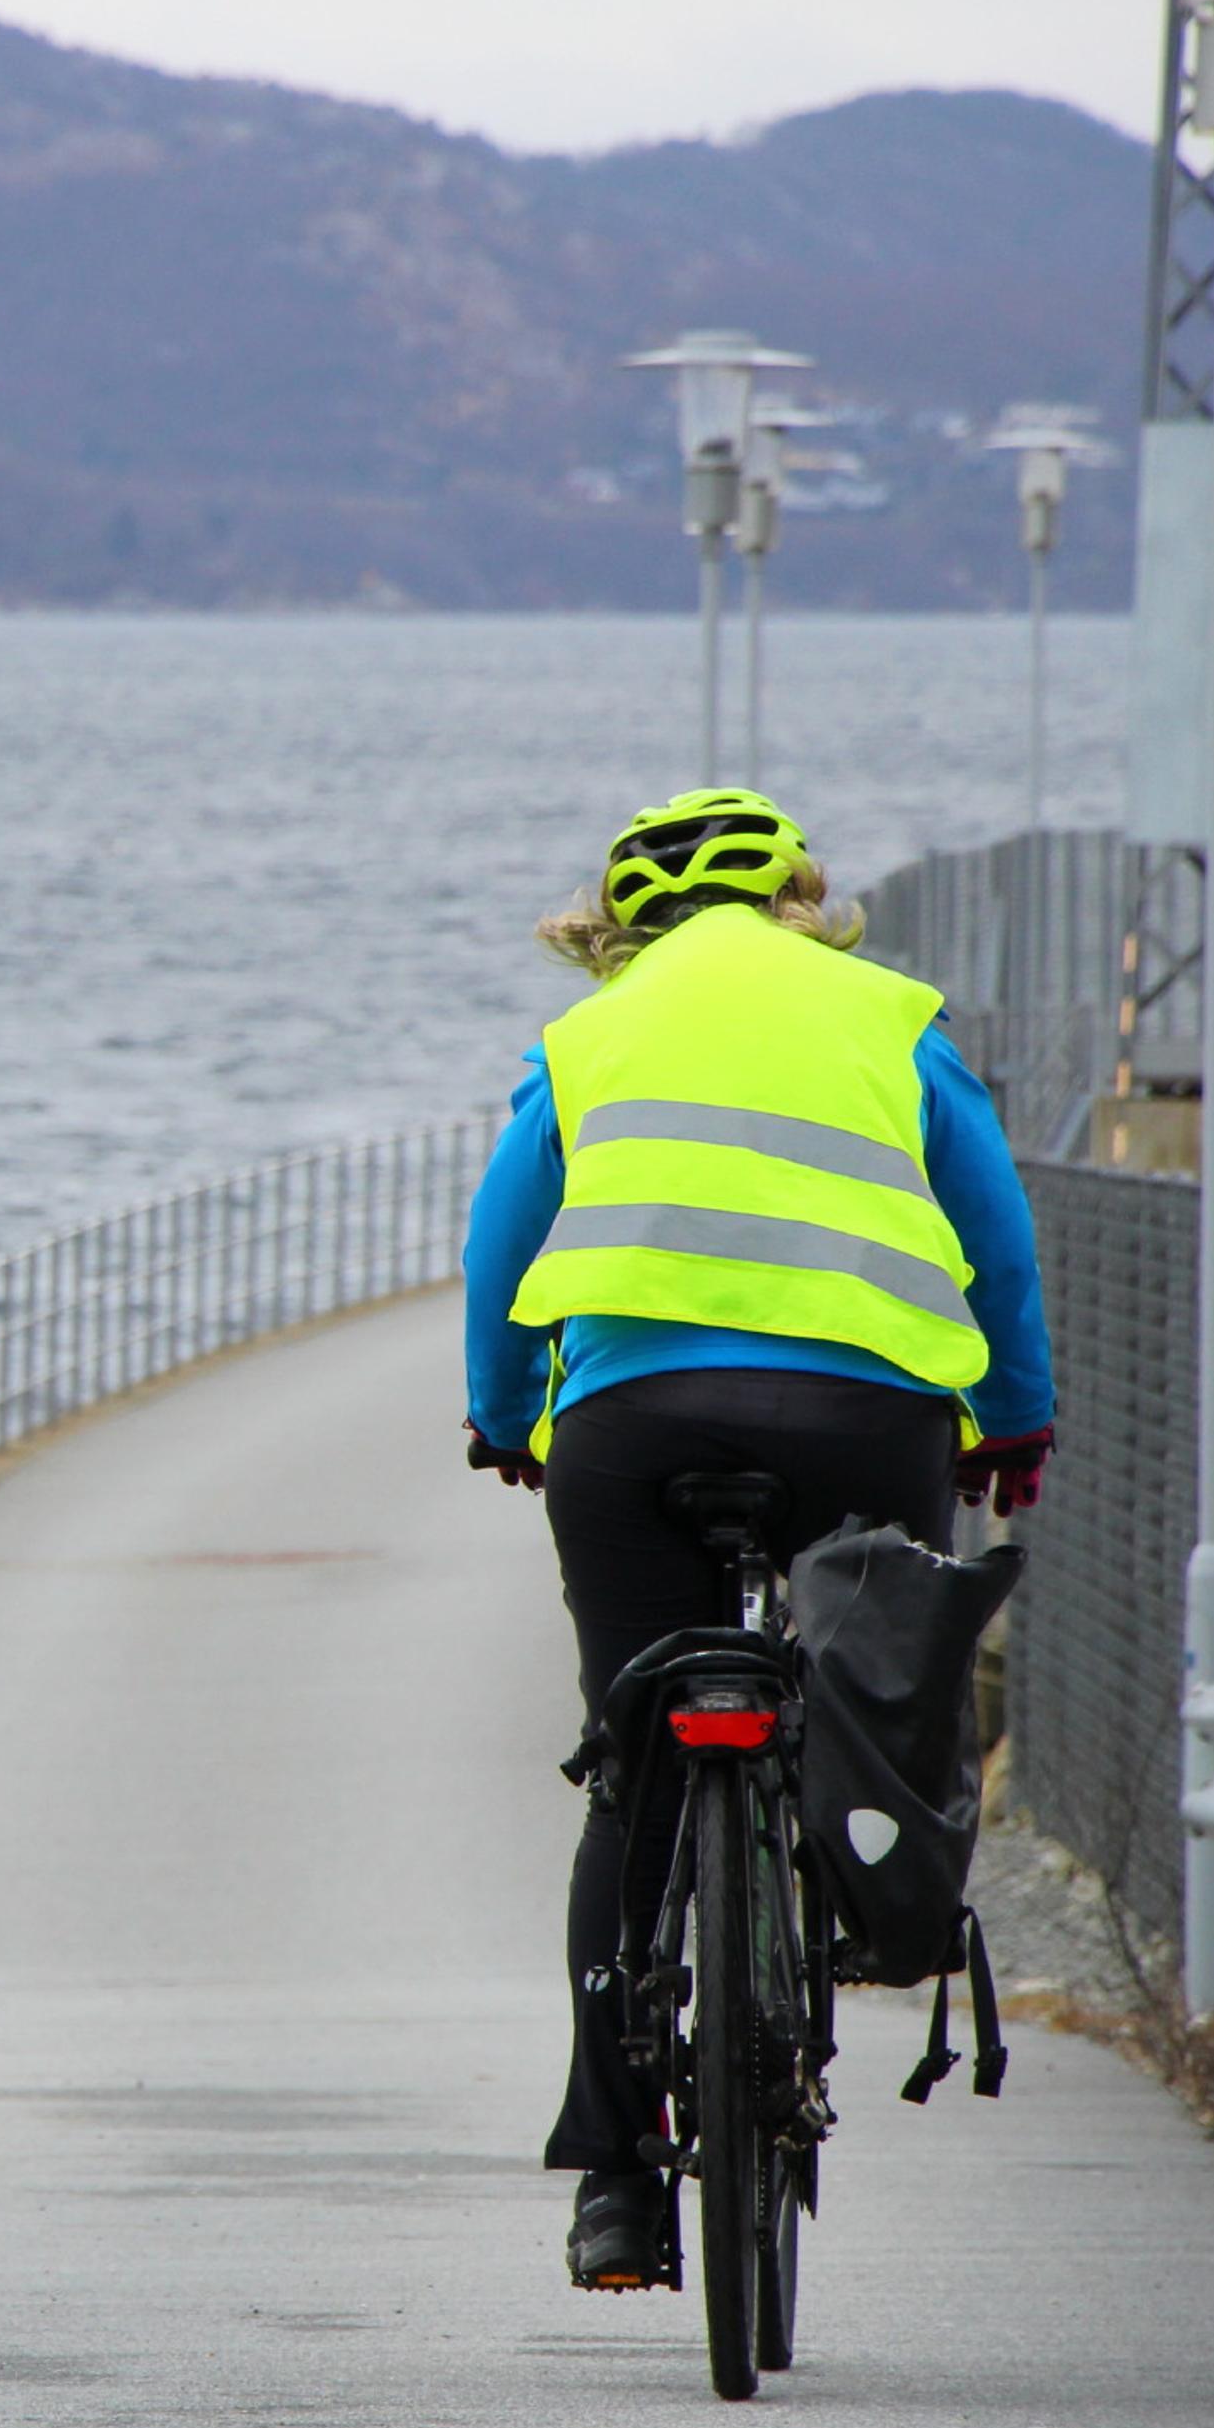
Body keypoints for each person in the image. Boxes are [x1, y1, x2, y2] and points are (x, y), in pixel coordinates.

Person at [460, 788, 1054, 2291]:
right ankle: (860, 1906)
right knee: (865, 1698)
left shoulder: (587, 1039)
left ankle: (611, 2178)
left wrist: (511, 1414)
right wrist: (1012, 1417)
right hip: (870, 1415)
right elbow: (993, 1233)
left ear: (614, 930)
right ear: (806, 901)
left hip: (636, 1427)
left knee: (634, 1759)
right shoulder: (888, 1013)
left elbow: (500, 1245)